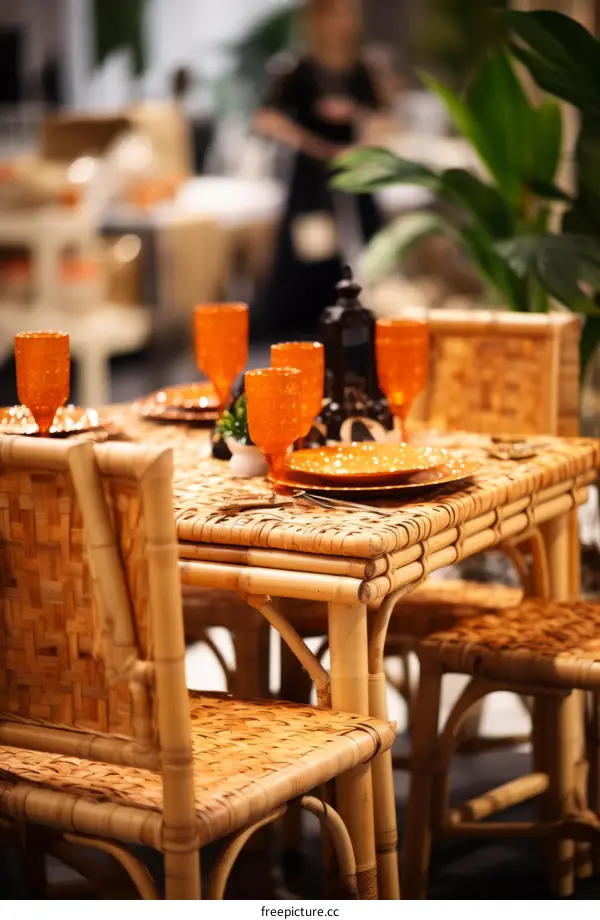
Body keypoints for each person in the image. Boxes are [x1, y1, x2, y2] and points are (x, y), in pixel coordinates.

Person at [252, 0, 391, 335]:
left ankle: (362, 317)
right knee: (311, 251)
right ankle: (308, 327)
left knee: (368, 241)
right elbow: (266, 118)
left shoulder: (362, 69)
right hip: (312, 176)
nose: (341, 23)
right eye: (334, 14)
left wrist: (357, 141)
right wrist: (313, 145)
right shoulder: (299, 70)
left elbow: (382, 117)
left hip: (355, 171)